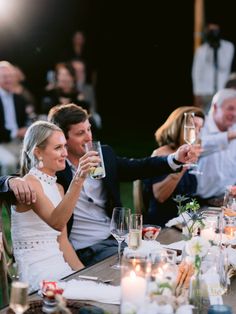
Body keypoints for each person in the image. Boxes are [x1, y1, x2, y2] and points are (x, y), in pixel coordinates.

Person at [1, 104, 198, 267]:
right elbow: (28, 174)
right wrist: (10, 181)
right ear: (63, 138)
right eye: (80, 133)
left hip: (117, 236)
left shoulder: (103, 155)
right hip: (87, 247)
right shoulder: (55, 169)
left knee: (170, 256)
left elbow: (138, 166)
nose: (89, 138)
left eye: (89, 129)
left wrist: (175, 159)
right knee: (147, 265)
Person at [11, 120, 99, 292]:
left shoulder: (58, 187)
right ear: (38, 152)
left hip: (60, 268)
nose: (65, 153)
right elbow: (56, 222)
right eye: (58, 148)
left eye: (65, 146)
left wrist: (83, 274)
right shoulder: (30, 183)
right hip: (37, 273)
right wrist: (78, 180)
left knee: (101, 293)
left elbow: (63, 241)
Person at [143, 106, 204, 227]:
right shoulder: (160, 154)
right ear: (179, 126)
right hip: (163, 226)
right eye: (193, 126)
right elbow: (160, 196)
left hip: (185, 223)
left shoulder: (190, 154)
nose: (197, 131)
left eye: (200, 128)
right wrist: (183, 165)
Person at [196, 88, 236, 203]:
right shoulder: (200, 125)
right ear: (215, 107)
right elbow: (196, 147)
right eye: (230, 108)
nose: (234, 114)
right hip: (199, 203)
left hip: (228, 200)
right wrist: (228, 136)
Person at [192, 23, 234, 114]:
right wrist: (197, 92)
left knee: (221, 115)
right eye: (211, 31)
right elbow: (196, 72)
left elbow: (224, 66)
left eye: (216, 31)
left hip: (221, 89)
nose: (214, 33)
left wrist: (216, 48)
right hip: (205, 92)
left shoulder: (228, 46)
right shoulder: (201, 50)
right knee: (205, 116)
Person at [0, 61, 30, 175]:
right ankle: (7, 190)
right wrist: (16, 132)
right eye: (4, 77)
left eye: (11, 76)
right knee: (9, 162)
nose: (9, 80)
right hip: (1, 143)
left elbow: (24, 121)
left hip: (18, 143)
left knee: (34, 158)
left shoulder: (19, 99)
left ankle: (31, 190)